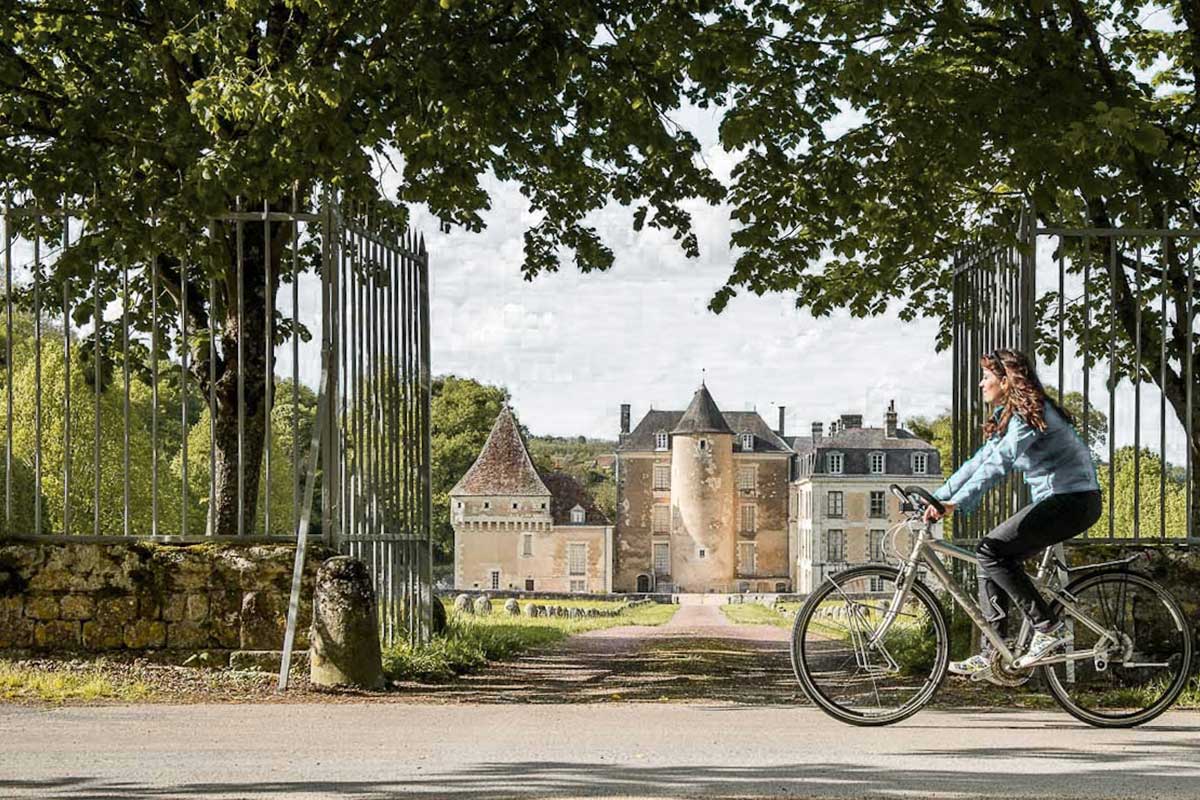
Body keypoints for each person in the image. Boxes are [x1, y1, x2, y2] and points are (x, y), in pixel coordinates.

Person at [924, 347, 1102, 675]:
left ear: (1006, 381)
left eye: (987, 377)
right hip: (1057, 501)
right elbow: (978, 461)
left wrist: (956, 503)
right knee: (987, 556)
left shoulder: (1028, 415)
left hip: (1074, 500)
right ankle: (994, 655)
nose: (981, 384)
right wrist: (937, 498)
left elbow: (1000, 463)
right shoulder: (1010, 415)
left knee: (991, 551)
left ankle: (1049, 628)